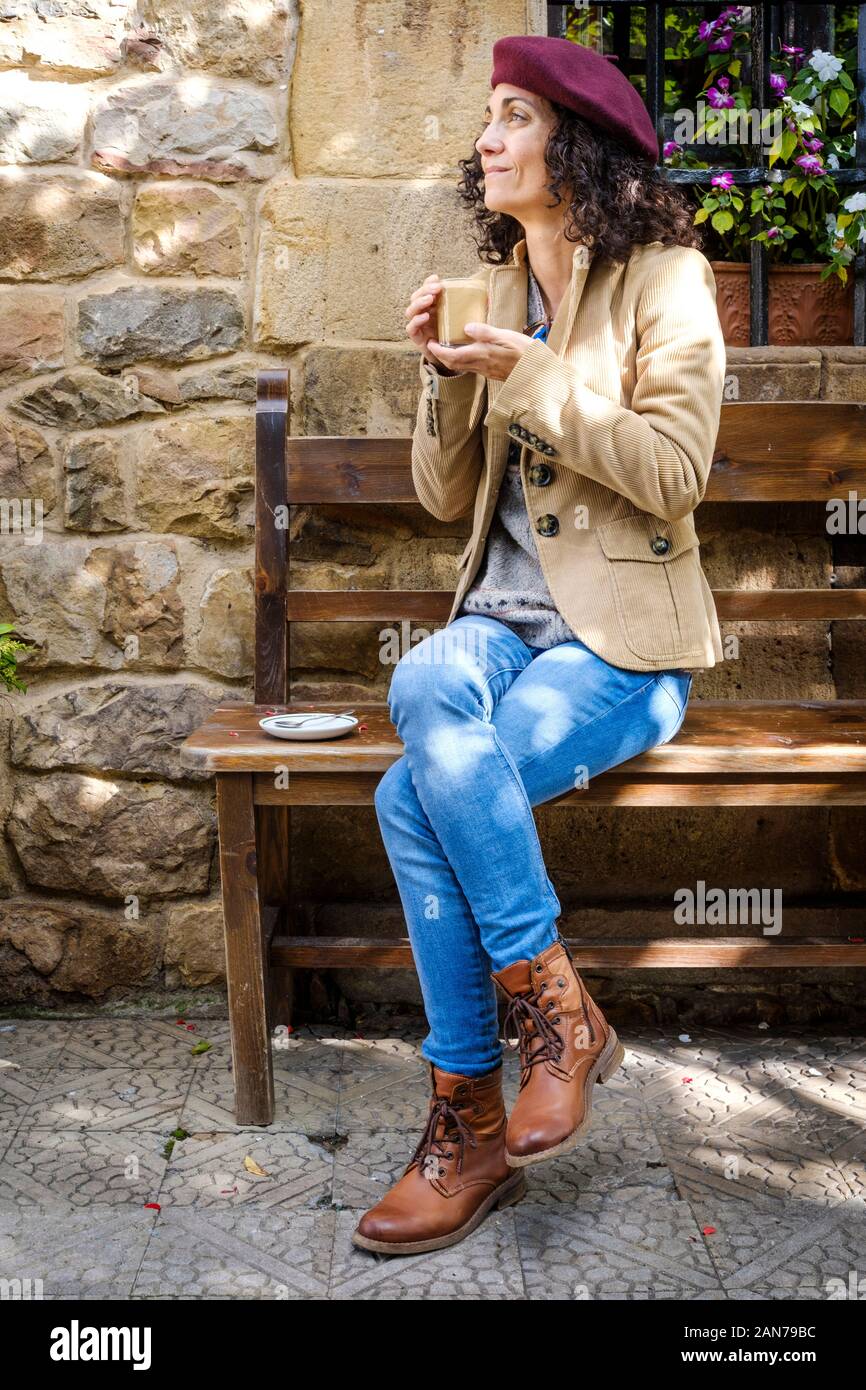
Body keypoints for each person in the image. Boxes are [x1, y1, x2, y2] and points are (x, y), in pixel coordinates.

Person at [352, 35, 727, 1257]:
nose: (487, 136)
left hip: (617, 645)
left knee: (417, 789)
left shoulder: (664, 278)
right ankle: (557, 1011)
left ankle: (462, 1115)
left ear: (573, 146)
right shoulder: (491, 287)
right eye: (488, 117)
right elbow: (438, 493)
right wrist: (440, 377)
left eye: (512, 115)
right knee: (422, 676)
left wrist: (535, 374)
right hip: (492, 633)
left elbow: (671, 475)